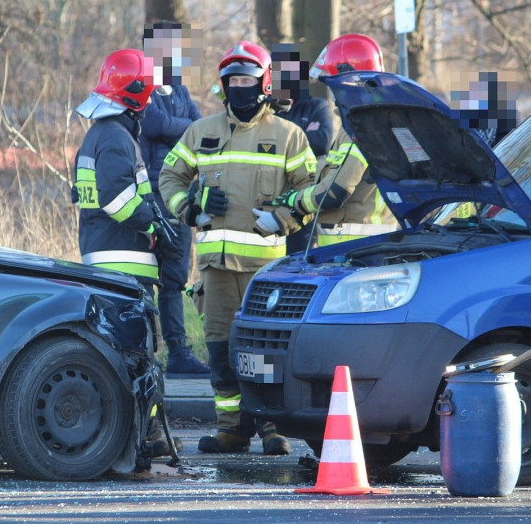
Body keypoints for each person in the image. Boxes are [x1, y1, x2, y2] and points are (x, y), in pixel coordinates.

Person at [158, 40, 317, 455]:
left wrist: (282, 218)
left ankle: (270, 428)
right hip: (215, 269)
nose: (239, 88)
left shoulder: (288, 136)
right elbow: (169, 178)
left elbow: (312, 191)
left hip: (266, 274)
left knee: (263, 352)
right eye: (232, 81)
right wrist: (191, 209)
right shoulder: (201, 131)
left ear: (264, 83)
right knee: (221, 352)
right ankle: (231, 429)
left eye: (247, 80)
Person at [73, 48, 184, 458]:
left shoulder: (100, 134)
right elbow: (117, 200)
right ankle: (142, 437)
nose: (153, 102)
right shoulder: (117, 137)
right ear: (135, 94)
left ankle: (135, 436)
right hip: (125, 266)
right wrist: (155, 226)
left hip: (105, 260)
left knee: (126, 354)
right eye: (149, 94)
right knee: (138, 355)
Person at [274, 33, 397, 246]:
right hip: (367, 241)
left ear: (348, 79)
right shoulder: (374, 119)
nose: (331, 92)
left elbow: (335, 191)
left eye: (332, 84)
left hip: (355, 245)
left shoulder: (361, 127)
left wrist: (294, 201)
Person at [140, 22, 210, 378]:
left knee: (174, 279)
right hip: (148, 196)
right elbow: (151, 124)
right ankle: (141, 351)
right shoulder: (142, 87)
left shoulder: (181, 89)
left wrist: (176, 124)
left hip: (179, 195)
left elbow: (202, 128)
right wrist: (183, 128)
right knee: (141, 279)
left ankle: (179, 354)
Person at [270, 43, 334, 253]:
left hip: (303, 195)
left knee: (299, 256)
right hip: (271, 194)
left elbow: (322, 141)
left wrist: (280, 139)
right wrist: (304, 133)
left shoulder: (316, 106)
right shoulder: (267, 108)